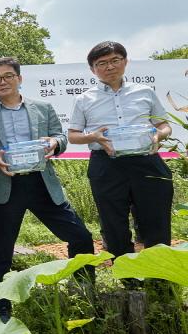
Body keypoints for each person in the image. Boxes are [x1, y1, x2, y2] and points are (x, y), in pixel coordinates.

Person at [0, 57, 94, 321]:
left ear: (19, 78)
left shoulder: (42, 107)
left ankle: (85, 290)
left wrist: (54, 142)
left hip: (41, 183)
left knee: (81, 236)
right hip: (4, 185)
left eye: (8, 76)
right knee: (1, 251)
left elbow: (62, 137)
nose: (3, 82)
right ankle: (2, 305)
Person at [68, 41, 172, 260]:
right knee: (113, 223)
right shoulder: (84, 99)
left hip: (146, 160)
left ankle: (160, 282)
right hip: (107, 165)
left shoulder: (144, 92)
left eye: (115, 60)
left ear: (125, 62)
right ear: (92, 69)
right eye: (102, 63)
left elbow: (165, 125)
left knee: (156, 220)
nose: (109, 67)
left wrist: (158, 135)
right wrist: (93, 136)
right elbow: (73, 135)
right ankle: (128, 280)